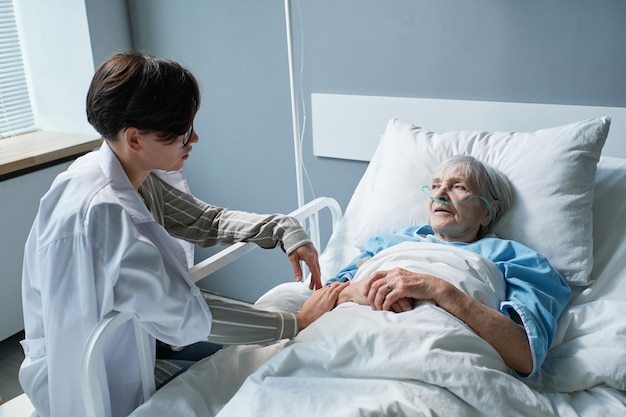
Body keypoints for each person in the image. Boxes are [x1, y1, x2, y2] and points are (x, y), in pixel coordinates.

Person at [19, 51, 346, 417]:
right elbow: (187, 315)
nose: (194, 140)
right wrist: (296, 322)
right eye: (182, 133)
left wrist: (281, 227)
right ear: (135, 138)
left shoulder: (119, 172)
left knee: (250, 362)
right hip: (101, 379)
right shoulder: (109, 214)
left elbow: (203, 220)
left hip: (140, 341)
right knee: (267, 378)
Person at [328, 155, 571, 377]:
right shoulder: (388, 243)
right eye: (435, 185)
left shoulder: (517, 259)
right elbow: (322, 300)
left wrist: (438, 289)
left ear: (489, 211)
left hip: (437, 354)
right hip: (345, 339)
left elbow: (523, 355)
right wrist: (361, 290)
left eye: (458, 187)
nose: (440, 194)